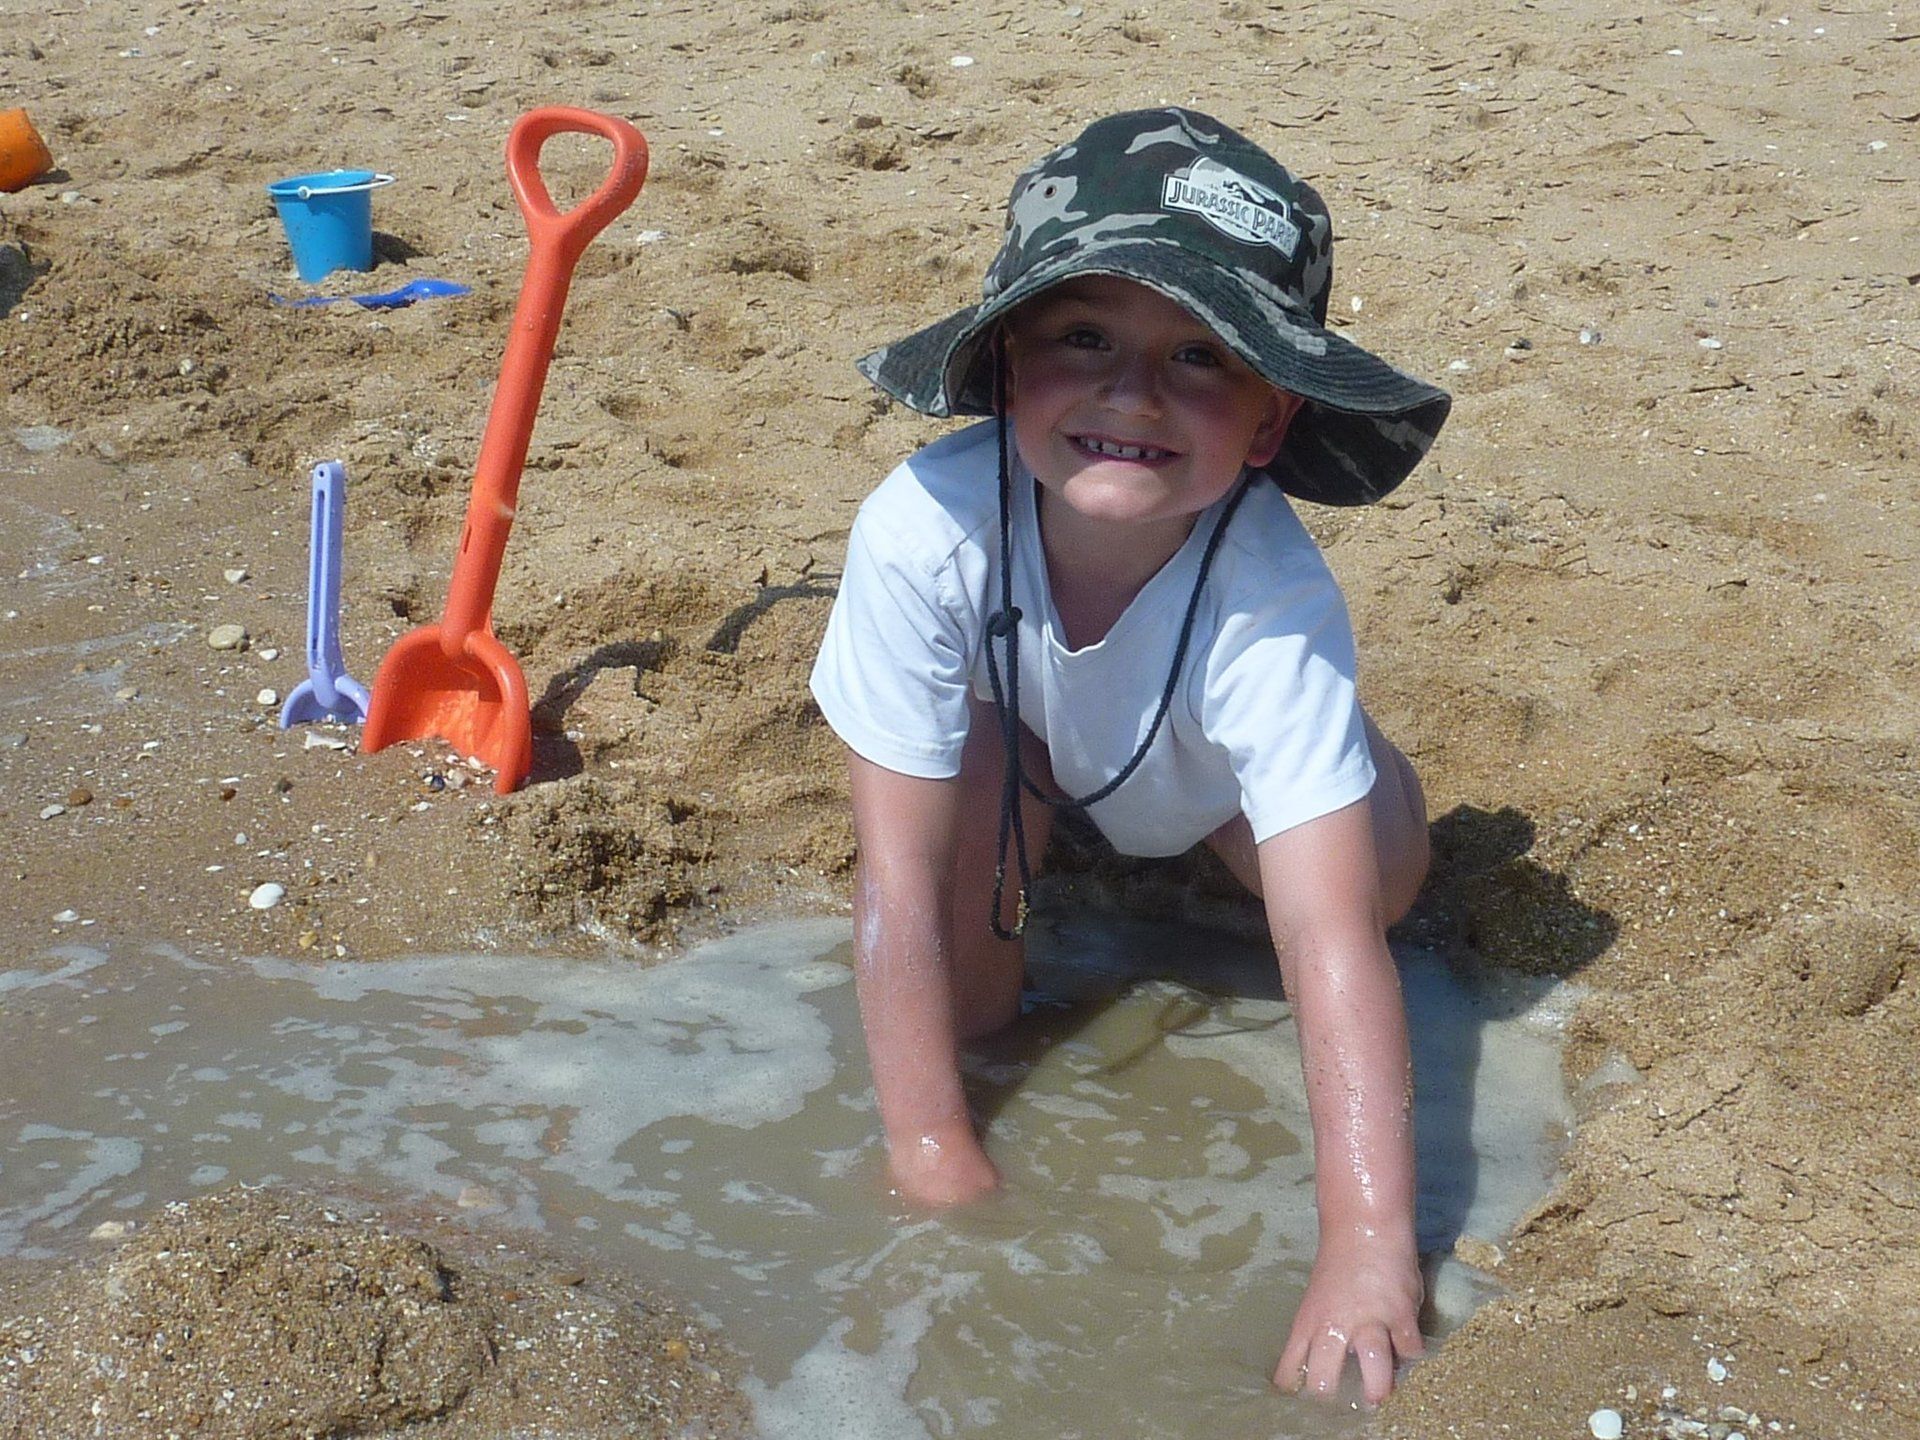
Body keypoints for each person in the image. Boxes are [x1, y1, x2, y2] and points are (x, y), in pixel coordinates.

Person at [808, 107, 1452, 1405]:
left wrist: (1369, 1253)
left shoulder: (1270, 593)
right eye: (1084, 337)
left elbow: (1332, 952)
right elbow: (892, 872)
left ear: (1270, 423)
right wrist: (932, 1154)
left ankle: (1343, 774)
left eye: (1202, 356)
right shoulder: (921, 528)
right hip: (1030, 743)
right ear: (1002, 367)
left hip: (1217, 782)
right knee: (976, 1018)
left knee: (1371, 888)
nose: (1132, 393)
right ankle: (1064, 811)